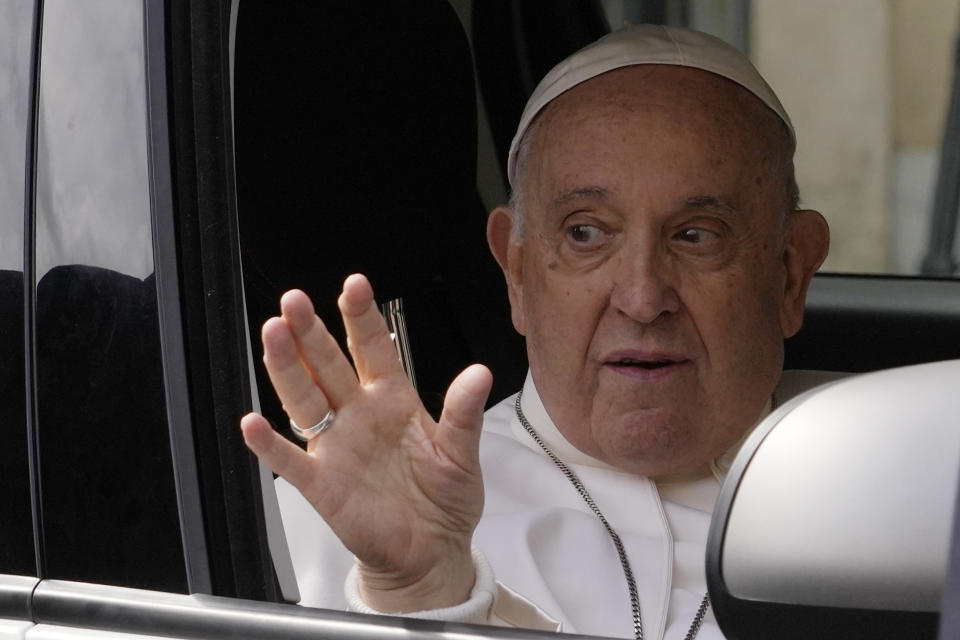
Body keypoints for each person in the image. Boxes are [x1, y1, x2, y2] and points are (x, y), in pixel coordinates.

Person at [240, 24, 830, 639]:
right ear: (516, 272)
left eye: (696, 234)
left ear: (791, 272)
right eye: (585, 233)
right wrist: (426, 597)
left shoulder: (916, 480)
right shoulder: (344, 522)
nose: (643, 297)